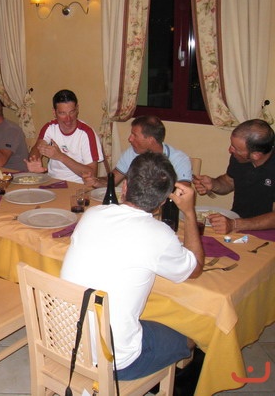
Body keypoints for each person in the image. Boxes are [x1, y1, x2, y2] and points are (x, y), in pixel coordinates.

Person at [61, 152, 203, 380]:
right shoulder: (159, 234)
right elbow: (194, 269)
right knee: (193, 336)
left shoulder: (92, 214)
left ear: (124, 187)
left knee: (145, 317)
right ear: (163, 201)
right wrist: (189, 211)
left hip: (64, 339)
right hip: (112, 361)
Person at [193, 119, 275, 234]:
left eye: (235, 148)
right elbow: (229, 181)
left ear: (256, 155)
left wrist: (235, 224)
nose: (230, 150)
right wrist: (213, 184)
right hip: (237, 223)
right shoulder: (240, 158)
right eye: (232, 145)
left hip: (267, 232)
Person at [84, 115, 192, 188]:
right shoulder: (131, 153)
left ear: (150, 140)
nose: (130, 139)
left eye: (134, 135)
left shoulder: (179, 160)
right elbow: (111, 180)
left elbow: (183, 193)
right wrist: (96, 181)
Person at [26, 89, 103, 183]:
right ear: (54, 112)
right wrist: (34, 160)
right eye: (62, 113)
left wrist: (60, 156)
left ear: (77, 109)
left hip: (78, 185)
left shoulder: (87, 133)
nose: (68, 119)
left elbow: (92, 174)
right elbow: (38, 148)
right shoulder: (50, 128)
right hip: (52, 182)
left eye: (72, 112)